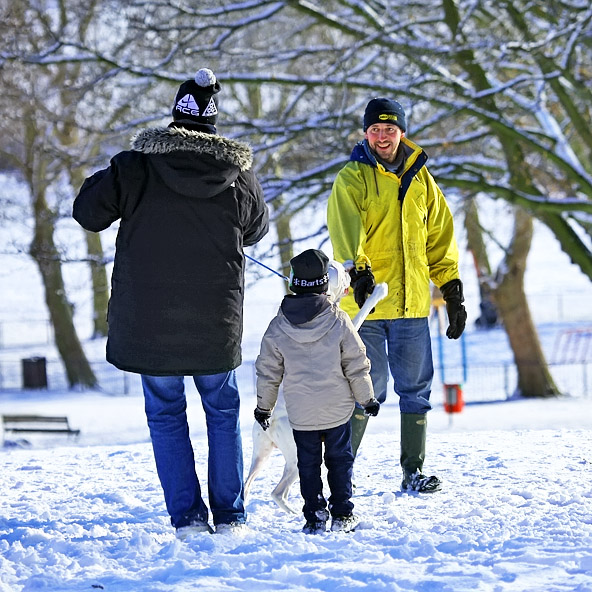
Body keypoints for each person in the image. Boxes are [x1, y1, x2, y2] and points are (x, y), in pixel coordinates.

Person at [72, 68, 269, 537]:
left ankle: (188, 518)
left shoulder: (134, 168)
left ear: (174, 118)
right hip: (214, 320)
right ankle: (231, 514)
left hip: (149, 321)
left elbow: (88, 213)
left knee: (165, 412)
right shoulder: (236, 176)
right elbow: (257, 229)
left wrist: (113, 174)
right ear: (213, 125)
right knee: (221, 411)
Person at [327, 97, 467, 493]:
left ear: (402, 132)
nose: (383, 137)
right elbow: (346, 231)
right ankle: (342, 472)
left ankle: (413, 471)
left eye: (390, 129)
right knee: (366, 388)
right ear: (365, 133)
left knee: (416, 388)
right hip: (366, 305)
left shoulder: (421, 179)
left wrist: (452, 289)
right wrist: (359, 270)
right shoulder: (352, 178)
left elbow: (439, 238)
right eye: (375, 129)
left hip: (411, 305)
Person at [254, 249, 380, 534]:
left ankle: (314, 515)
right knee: (340, 462)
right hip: (337, 412)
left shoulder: (277, 327)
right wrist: (367, 398)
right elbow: (356, 363)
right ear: (325, 284)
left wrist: (265, 408)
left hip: (301, 415)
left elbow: (268, 371)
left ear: (293, 283)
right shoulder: (338, 321)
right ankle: (342, 513)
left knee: (308, 465)